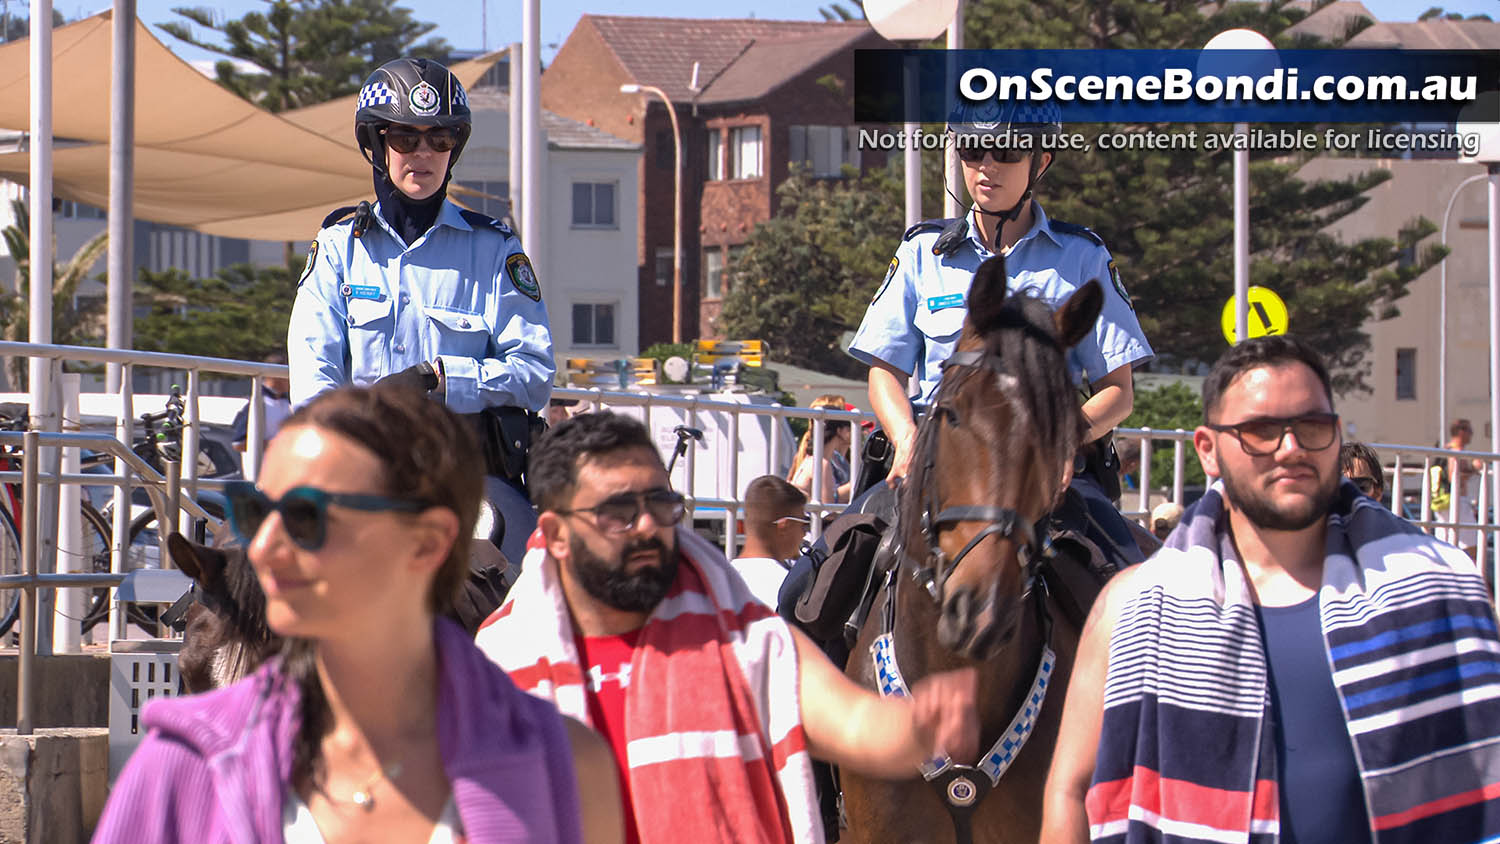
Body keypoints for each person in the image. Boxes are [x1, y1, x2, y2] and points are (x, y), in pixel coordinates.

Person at [94, 384, 622, 844]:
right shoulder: (182, 764)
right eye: (256, 513)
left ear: (427, 543)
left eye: (307, 517)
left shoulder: (565, 768)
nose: (266, 548)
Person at [1041, 336, 1500, 844]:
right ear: (1207, 450)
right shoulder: (1133, 605)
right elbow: (1070, 791)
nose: (1291, 448)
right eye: (1260, 430)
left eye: (1312, 426)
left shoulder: (1438, 592)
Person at [477, 411, 979, 844]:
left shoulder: (740, 635)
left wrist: (918, 727)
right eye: (620, 513)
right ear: (557, 535)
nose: (650, 526)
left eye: (661, 504)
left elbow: (850, 722)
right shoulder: (501, 665)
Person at [848, 98, 1153, 565]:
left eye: (1007, 151)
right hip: (933, 459)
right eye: (973, 150)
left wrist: (1063, 443)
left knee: (1128, 577)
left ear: (1041, 161)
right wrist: (908, 442)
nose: (987, 166)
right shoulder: (920, 251)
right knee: (807, 588)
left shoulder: (1083, 256)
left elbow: (1118, 391)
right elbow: (884, 371)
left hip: (1045, 467)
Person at [287, 56, 553, 565]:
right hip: (360, 472)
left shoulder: (494, 248)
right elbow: (313, 376)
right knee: (249, 582)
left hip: (468, 477)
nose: (423, 153)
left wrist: (441, 378)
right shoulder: (339, 247)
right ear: (376, 144)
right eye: (406, 139)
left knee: (525, 583)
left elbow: (534, 372)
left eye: (441, 138)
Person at [732, 475, 809, 607]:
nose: (805, 533)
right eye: (804, 524)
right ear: (784, 527)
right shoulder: (789, 589)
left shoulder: (719, 580)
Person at [788, 395, 855, 505]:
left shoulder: (818, 459)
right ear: (839, 431)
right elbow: (828, 510)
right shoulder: (821, 463)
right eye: (848, 427)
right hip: (813, 521)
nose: (854, 431)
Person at [1432, 418, 1482, 556]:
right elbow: (1454, 476)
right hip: (1457, 500)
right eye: (1469, 431)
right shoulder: (1457, 451)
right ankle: (1472, 573)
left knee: (1445, 542)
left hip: (1441, 501)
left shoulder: (1445, 450)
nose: (1472, 434)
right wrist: (1475, 468)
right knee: (1471, 543)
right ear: (1461, 432)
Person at [229, 352, 292, 454]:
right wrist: (276, 444)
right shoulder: (257, 402)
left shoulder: (287, 403)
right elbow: (238, 443)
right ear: (276, 376)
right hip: (260, 467)